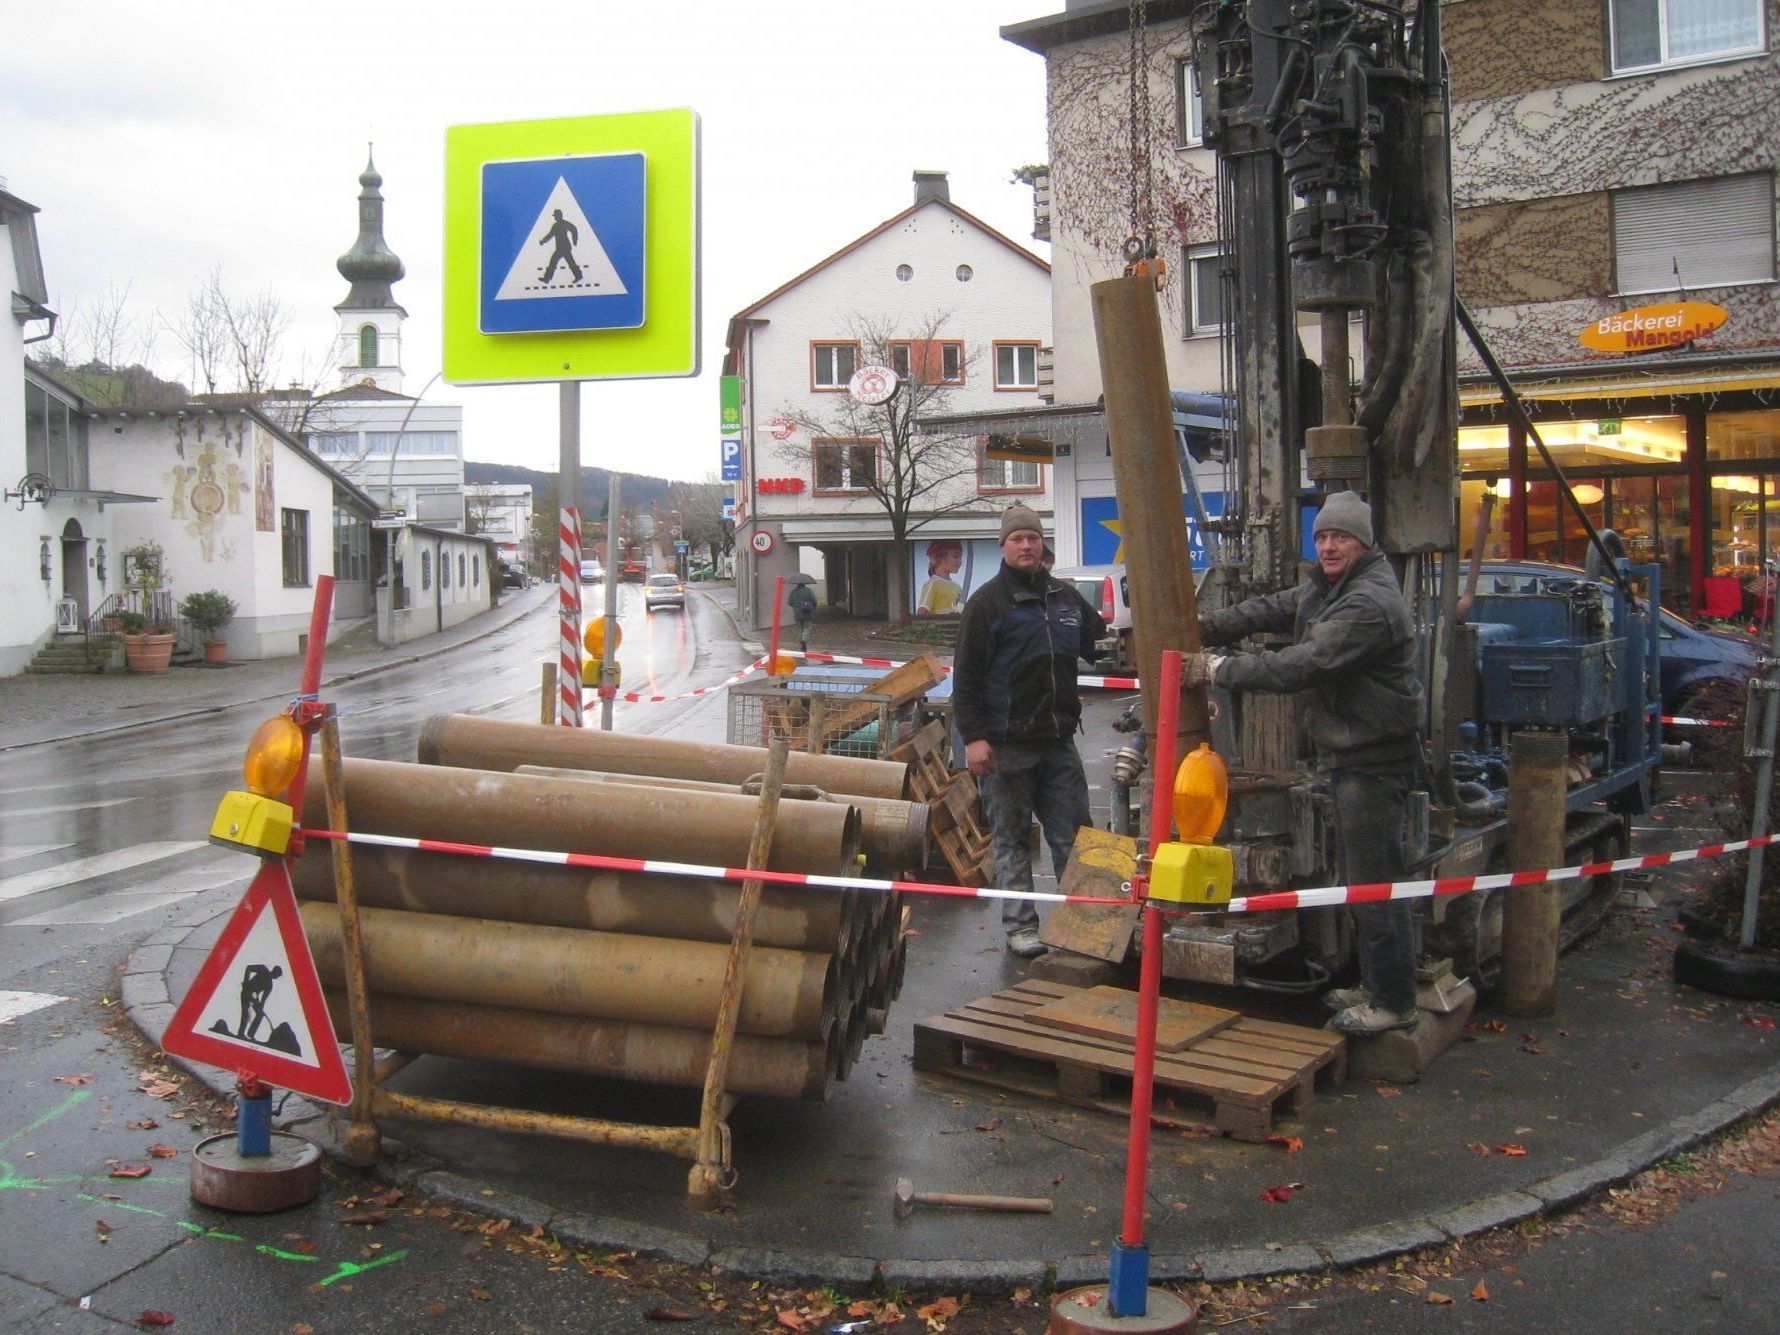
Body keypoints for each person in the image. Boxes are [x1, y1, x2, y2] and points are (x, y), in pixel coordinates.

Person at [1185, 492, 1424, 1036]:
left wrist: (1219, 668)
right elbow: (1272, 608)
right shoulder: (1330, 586)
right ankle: (1376, 983)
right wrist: (1207, 625)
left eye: (1340, 536)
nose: (1329, 545)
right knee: (1359, 878)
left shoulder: (1368, 603)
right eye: (1321, 536)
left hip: (1373, 760)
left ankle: (1394, 1000)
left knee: (1373, 882)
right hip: (1348, 755)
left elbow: (1304, 664)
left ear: (1363, 542)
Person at [953, 504, 1106, 958]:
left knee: (1075, 837)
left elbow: (1098, 642)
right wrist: (974, 738)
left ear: (1043, 545)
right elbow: (968, 679)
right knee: (1012, 839)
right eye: (1017, 538)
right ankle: (1021, 927)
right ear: (1004, 545)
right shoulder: (987, 604)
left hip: (1057, 741)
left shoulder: (1064, 598)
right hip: (1005, 746)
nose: (1026, 545)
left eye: (1033, 538)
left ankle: (1085, 924)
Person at [917, 541, 964, 616]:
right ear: (940, 557)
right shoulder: (933, 583)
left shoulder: (958, 587)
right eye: (955, 556)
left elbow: (960, 611)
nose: (960, 562)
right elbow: (922, 612)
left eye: (960, 557)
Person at [787, 580, 817, 651]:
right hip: (808, 612)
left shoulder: (793, 592)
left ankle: (801, 641)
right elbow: (814, 600)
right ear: (805, 584)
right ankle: (804, 639)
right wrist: (813, 607)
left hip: (797, 613)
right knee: (807, 627)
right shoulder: (809, 591)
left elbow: (789, 602)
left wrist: (796, 606)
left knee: (800, 628)